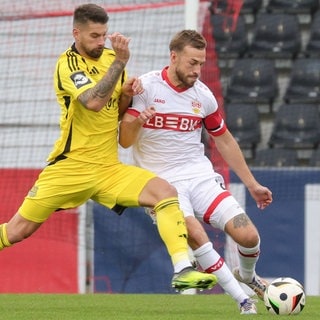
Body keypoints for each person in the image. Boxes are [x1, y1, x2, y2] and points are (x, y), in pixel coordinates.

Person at [0, 5, 218, 292]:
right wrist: (120, 63)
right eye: (93, 36)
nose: (100, 41)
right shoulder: (69, 64)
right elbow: (93, 102)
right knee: (17, 231)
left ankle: (182, 269)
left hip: (107, 169)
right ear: (76, 33)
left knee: (164, 192)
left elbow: (113, 112)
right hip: (70, 167)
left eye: (103, 35)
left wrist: (128, 95)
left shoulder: (112, 59)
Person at [119, 29, 273, 314]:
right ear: (174, 57)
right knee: (195, 234)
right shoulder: (146, 88)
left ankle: (247, 276)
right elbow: (125, 140)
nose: (197, 70)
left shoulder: (203, 96)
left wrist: (251, 184)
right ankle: (244, 301)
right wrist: (139, 120)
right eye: (192, 63)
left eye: (201, 63)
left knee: (249, 237)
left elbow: (224, 139)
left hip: (200, 177)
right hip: (162, 184)